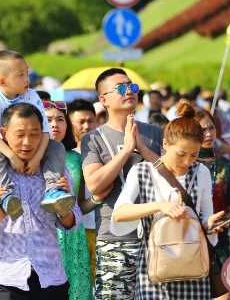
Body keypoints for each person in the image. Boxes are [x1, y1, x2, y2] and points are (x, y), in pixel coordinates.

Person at [0, 103, 82, 299]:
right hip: (5, 279)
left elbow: (72, 223)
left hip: (51, 277)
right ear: (3, 133)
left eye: (35, 134)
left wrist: (64, 209)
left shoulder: (55, 171)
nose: (27, 142)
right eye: (20, 135)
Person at [111, 101, 226, 299]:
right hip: (154, 271)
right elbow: (119, 213)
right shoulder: (142, 171)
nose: (188, 161)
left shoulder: (201, 172)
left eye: (194, 155)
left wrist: (210, 225)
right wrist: (160, 206)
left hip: (193, 268)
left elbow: (203, 219)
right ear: (165, 144)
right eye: (181, 154)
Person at [82, 68, 163, 299]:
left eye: (132, 86)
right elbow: (95, 185)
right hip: (114, 237)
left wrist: (144, 150)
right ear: (103, 99)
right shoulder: (93, 139)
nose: (129, 91)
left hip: (156, 235)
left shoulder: (155, 133)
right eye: (121, 88)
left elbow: (172, 179)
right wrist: (127, 149)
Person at [0, 50, 72, 220]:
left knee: (57, 147)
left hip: (34, 145)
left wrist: (37, 157)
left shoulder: (32, 95)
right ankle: (8, 196)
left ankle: (53, 190)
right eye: (20, 75)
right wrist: (11, 156)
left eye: (27, 74)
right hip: (2, 147)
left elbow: (45, 130)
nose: (27, 80)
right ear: (2, 81)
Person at [195, 106, 230, 285]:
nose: (209, 133)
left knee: (224, 294)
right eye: (203, 129)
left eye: (211, 128)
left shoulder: (225, 165)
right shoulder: (185, 165)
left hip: (221, 241)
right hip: (191, 241)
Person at [45, 100, 95, 300]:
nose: (55, 124)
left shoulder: (76, 159)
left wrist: (98, 198)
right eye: (48, 120)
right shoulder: (31, 159)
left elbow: (80, 205)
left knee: (77, 293)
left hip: (73, 235)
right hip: (46, 236)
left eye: (60, 119)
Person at [67, 99, 100, 282]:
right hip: (78, 229)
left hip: (103, 228)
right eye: (81, 122)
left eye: (91, 121)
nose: (87, 126)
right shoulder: (67, 157)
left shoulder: (105, 153)